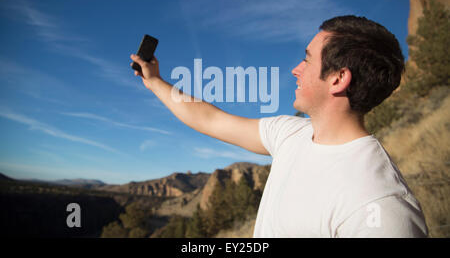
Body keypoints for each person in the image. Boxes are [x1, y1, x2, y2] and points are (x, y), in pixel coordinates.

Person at [130, 15, 428, 238]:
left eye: (307, 60)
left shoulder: (381, 208)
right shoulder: (290, 133)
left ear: (338, 78)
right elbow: (210, 119)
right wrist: (155, 81)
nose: (295, 69)